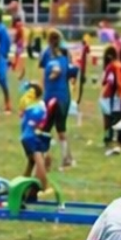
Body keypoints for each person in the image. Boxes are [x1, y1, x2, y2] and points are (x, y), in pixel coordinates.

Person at [40, 30, 76, 166]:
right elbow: (71, 73)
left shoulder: (46, 54)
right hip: (64, 96)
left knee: (45, 129)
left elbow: (45, 76)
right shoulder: (66, 55)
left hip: (50, 96)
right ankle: (66, 158)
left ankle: (45, 157)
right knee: (61, 128)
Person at [19, 83, 54, 193]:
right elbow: (40, 125)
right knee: (40, 162)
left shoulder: (29, 106)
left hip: (25, 137)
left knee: (31, 163)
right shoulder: (39, 107)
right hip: (32, 137)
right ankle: (45, 187)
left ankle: (22, 187)